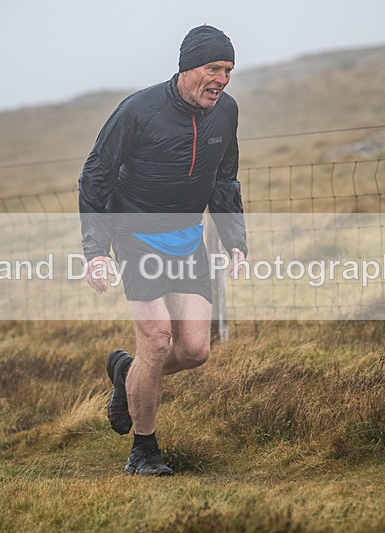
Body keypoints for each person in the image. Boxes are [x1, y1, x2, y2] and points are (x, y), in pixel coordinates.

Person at [78, 25, 247, 476]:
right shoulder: (137, 111)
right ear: (188, 68)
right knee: (157, 341)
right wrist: (95, 250)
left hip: (187, 237)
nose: (222, 79)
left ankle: (126, 373)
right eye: (214, 68)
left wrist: (234, 240)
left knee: (194, 351)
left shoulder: (226, 112)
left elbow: (224, 177)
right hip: (134, 234)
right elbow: (95, 176)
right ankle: (144, 451)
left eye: (229, 70)